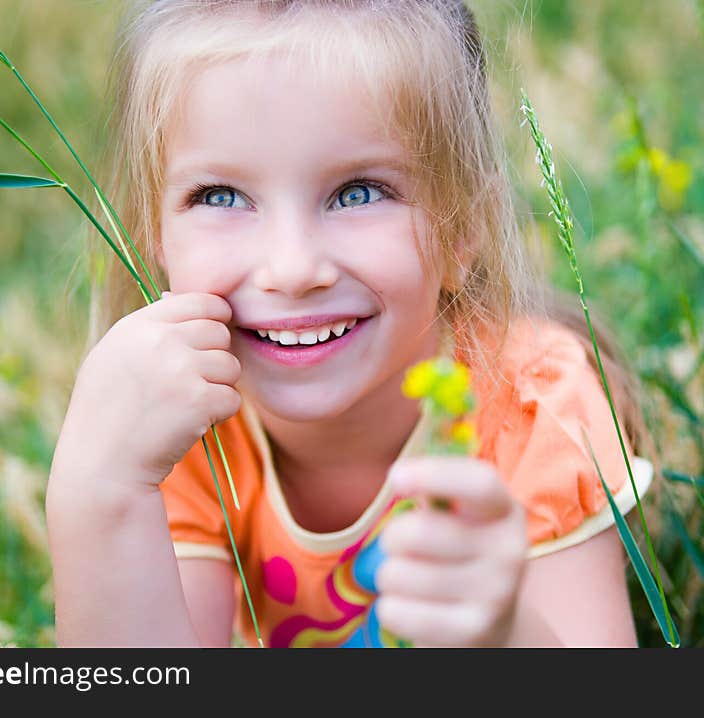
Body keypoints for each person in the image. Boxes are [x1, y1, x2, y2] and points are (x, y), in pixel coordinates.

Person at [46, 0, 655, 648]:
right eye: (221, 197)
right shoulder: (179, 431)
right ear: (155, 236)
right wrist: (97, 487)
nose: (291, 268)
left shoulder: (532, 412)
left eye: (358, 191)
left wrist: (504, 632)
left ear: (464, 223)